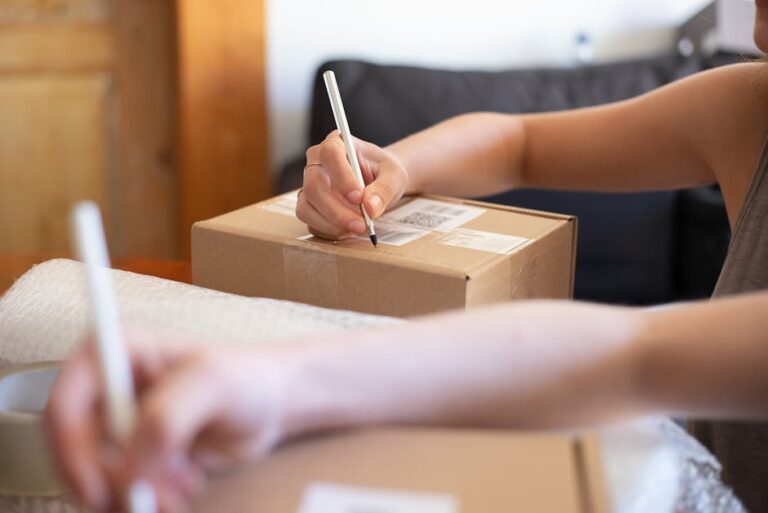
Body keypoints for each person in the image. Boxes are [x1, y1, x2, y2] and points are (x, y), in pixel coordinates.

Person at [47, 2, 768, 512]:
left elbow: (629, 356)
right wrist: (393, 166)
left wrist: (283, 380)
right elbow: (517, 140)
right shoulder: (748, 109)